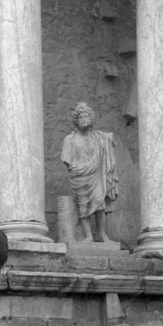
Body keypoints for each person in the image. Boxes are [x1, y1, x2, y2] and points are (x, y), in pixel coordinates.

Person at [61, 102, 121, 243]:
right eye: (80, 116)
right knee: (83, 206)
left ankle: (102, 235)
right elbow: (66, 159)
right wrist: (75, 170)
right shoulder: (69, 140)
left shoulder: (100, 137)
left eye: (86, 116)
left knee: (100, 205)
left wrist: (108, 138)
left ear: (91, 118)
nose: (83, 119)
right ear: (76, 120)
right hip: (79, 176)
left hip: (96, 175)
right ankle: (89, 236)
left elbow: (110, 141)